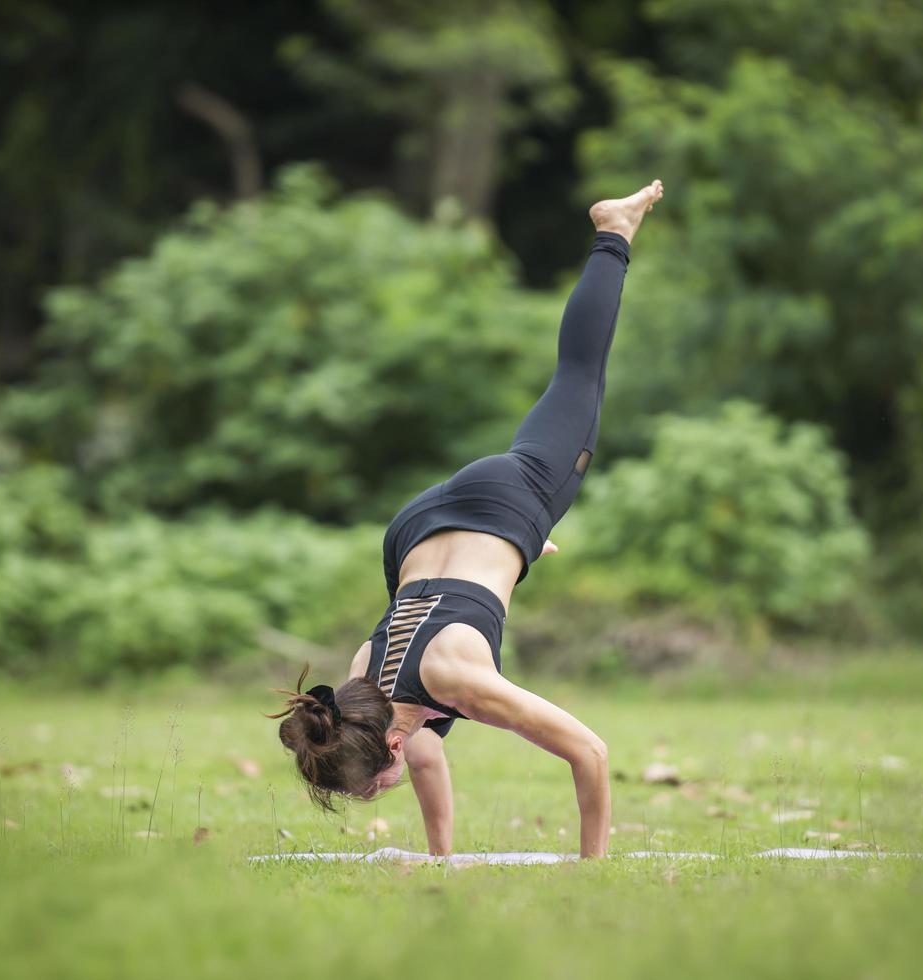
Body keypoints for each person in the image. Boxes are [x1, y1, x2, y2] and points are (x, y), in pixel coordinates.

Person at [271, 180, 664, 858]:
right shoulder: (361, 688)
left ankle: (613, 233)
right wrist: (440, 861)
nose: (371, 796)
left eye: (369, 787)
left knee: (579, 377)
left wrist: (593, 870)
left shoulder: (458, 685)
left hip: (506, 499)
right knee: (476, 576)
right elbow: (421, 757)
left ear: (387, 741)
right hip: (414, 533)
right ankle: (513, 545)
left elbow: (590, 754)